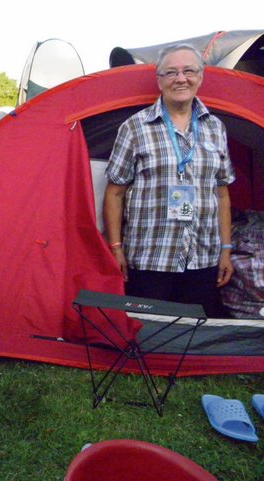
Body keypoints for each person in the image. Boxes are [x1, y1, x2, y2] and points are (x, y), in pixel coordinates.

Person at [103, 43, 235, 318]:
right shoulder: (134, 127)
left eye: (189, 71)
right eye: (171, 72)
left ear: (200, 76)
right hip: (150, 256)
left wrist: (225, 249)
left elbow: (222, 194)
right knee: (149, 334)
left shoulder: (215, 128)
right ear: (159, 80)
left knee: (194, 336)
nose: (181, 79)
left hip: (203, 256)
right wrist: (115, 248)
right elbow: (115, 193)